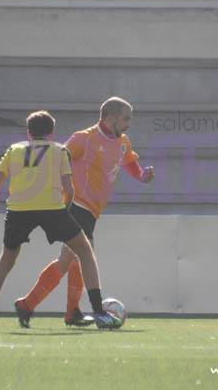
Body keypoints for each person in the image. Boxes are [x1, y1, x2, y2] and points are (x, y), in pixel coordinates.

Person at [0, 110, 123, 332]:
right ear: (52, 133)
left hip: (18, 211)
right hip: (52, 209)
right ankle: (99, 312)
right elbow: (69, 189)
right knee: (85, 251)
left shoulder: (13, 150)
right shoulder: (60, 151)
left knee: (5, 263)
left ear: (28, 133)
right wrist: (65, 214)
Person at [14, 97, 154, 327]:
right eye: (125, 118)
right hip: (76, 205)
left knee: (69, 262)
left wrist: (141, 176)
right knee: (83, 256)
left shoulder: (123, 142)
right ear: (110, 117)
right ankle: (94, 311)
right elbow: (56, 159)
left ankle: (34, 306)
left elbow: (129, 162)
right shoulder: (84, 138)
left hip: (92, 211)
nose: (129, 124)